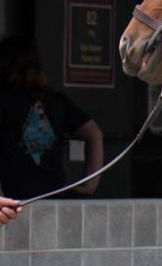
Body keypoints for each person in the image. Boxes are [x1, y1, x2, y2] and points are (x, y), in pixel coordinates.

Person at [0, 36, 104, 200]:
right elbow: (94, 133)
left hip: (14, 199)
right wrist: (89, 184)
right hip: (54, 198)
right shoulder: (56, 101)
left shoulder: (4, 100)